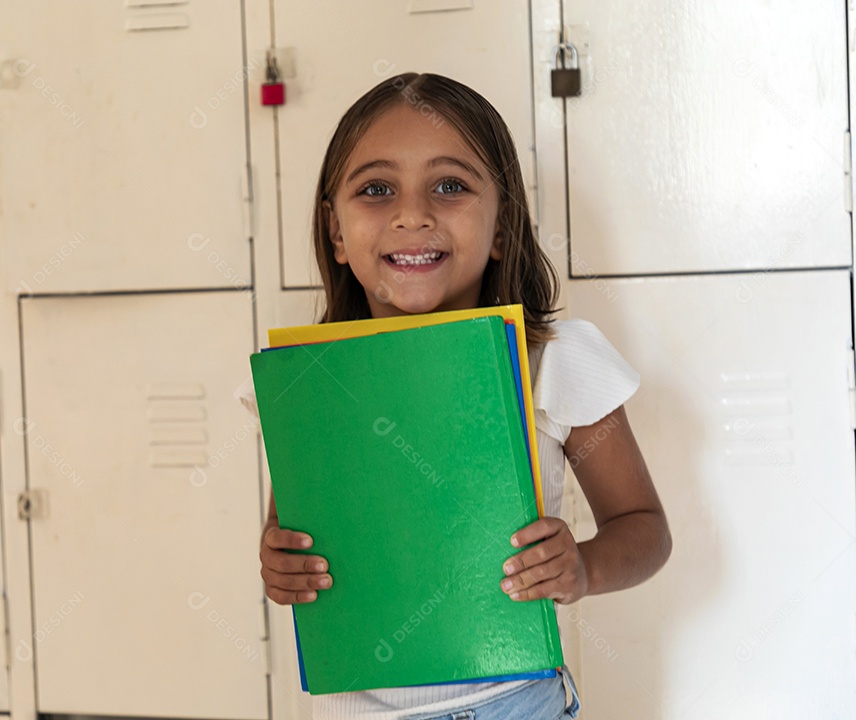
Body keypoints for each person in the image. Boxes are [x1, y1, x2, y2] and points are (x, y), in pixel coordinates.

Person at [236, 72, 672, 720]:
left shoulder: (554, 360)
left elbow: (644, 528)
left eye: (450, 186)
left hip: (514, 704)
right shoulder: (305, 379)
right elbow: (289, 536)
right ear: (336, 232)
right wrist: (279, 564)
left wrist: (581, 568)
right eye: (376, 189)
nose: (412, 215)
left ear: (501, 226)